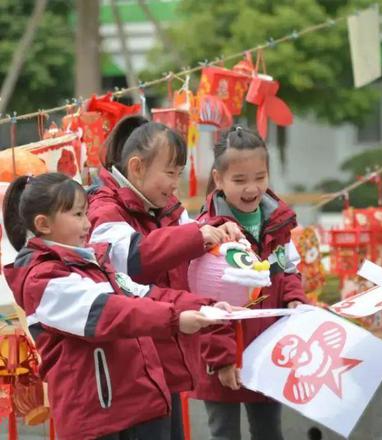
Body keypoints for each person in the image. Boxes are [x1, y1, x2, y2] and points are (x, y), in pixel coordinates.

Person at [2, 173, 229, 440]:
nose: (88, 224)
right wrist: (176, 319)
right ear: (43, 223)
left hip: (139, 406)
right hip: (97, 420)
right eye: (77, 215)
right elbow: (110, 311)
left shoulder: (95, 261)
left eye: (86, 213)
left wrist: (208, 307)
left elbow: (144, 294)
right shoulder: (42, 279)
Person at [86, 115, 243, 439]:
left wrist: (221, 242)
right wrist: (200, 235)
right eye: (170, 173)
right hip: (133, 372)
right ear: (137, 167)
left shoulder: (167, 207)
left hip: (165, 361)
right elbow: (131, 259)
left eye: (179, 174)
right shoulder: (103, 207)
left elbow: (194, 251)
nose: (175, 183)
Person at [191, 126, 308, 440]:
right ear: (218, 179)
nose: (251, 189)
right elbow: (205, 303)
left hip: (267, 350)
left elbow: (287, 272)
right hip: (221, 355)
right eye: (239, 180)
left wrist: (294, 300)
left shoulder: (278, 222)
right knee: (224, 433)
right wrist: (223, 359)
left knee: (270, 431)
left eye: (260, 177)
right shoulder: (206, 232)